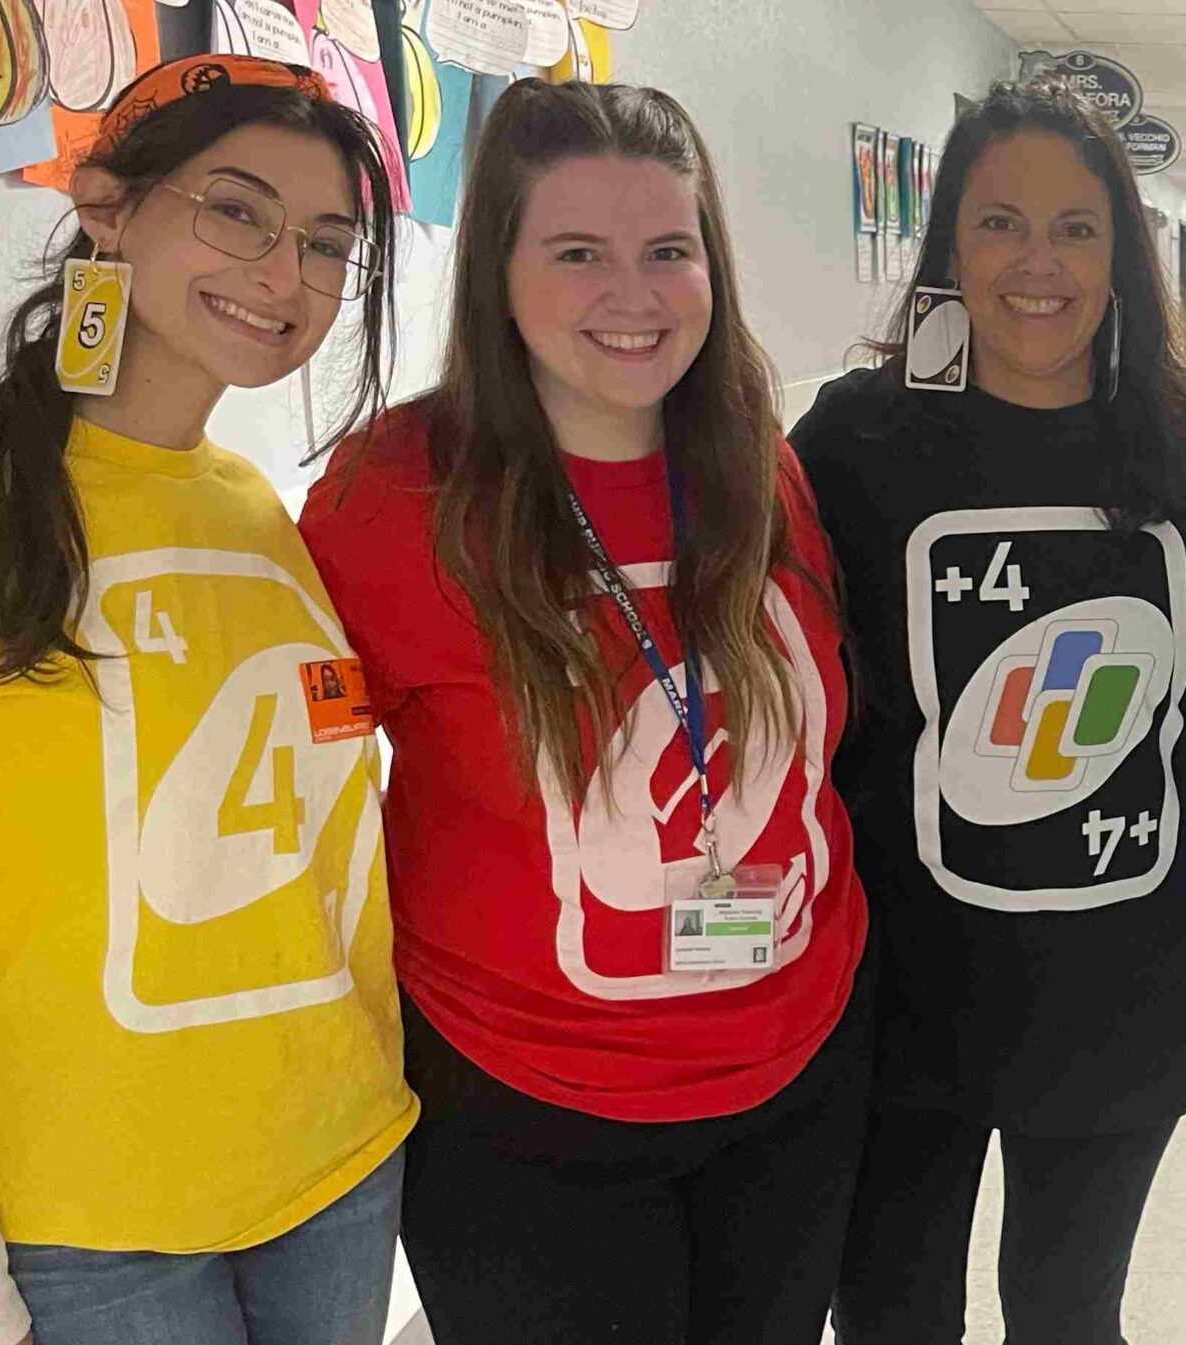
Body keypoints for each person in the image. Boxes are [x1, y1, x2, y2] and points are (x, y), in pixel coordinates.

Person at [298, 80, 869, 1344]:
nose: (635, 294)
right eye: (577, 253)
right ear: (496, 270)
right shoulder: (394, 497)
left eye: (669, 249)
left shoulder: (756, 464)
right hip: (524, 1112)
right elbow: (303, 801)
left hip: (794, 1075)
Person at [791, 77, 1186, 1343]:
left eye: (1077, 227)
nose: (1037, 263)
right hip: (901, 983)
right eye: (999, 222)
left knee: (1069, 1315)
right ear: (947, 239)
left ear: (1123, 249)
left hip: (1120, 985)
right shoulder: (858, 438)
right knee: (892, 1316)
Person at [0, 55, 414, 1345]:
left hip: (335, 1156)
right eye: (236, 210)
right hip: (93, 1206)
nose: (286, 275)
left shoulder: (263, 508)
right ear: (106, 206)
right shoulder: (6, 494)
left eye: (328, 243)